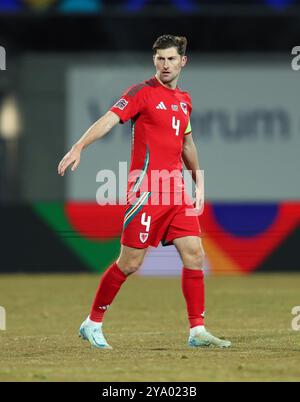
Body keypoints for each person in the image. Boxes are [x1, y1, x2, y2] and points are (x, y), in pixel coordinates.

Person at [58, 34, 231, 349]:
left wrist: (198, 181)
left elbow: (187, 144)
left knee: (194, 254)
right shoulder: (141, 93)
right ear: (154, 61)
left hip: (176, 192)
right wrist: (79, 145)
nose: (165, 65)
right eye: (160, 59)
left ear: (183, 61)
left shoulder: (184, 100)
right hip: (147, 191)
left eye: (171, 59)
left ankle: (197, 331)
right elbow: (109, 120)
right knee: (130, 263)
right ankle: (92, 322)